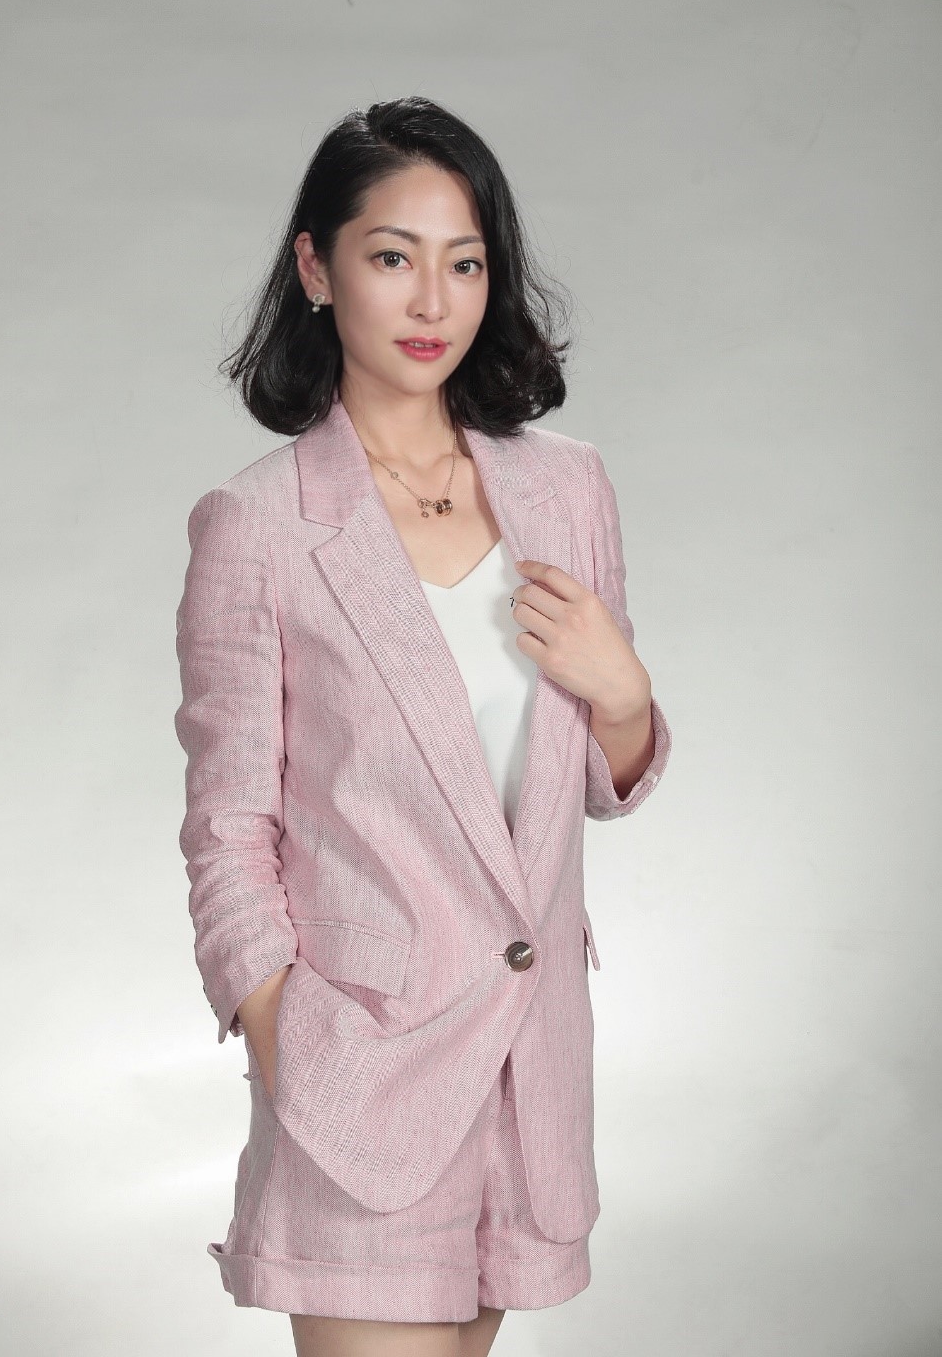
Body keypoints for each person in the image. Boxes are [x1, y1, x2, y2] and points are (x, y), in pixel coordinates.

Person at [173, 95, 672, 1357]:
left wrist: (623, 697)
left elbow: (595, 782)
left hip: (527, 1078)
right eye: (391, 257)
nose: (431, 301)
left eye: (464, 263)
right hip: (358, 1071)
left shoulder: (567, 489)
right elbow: (226, 825)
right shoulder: (258, 525)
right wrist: (289, 1037)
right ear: (315, 268)